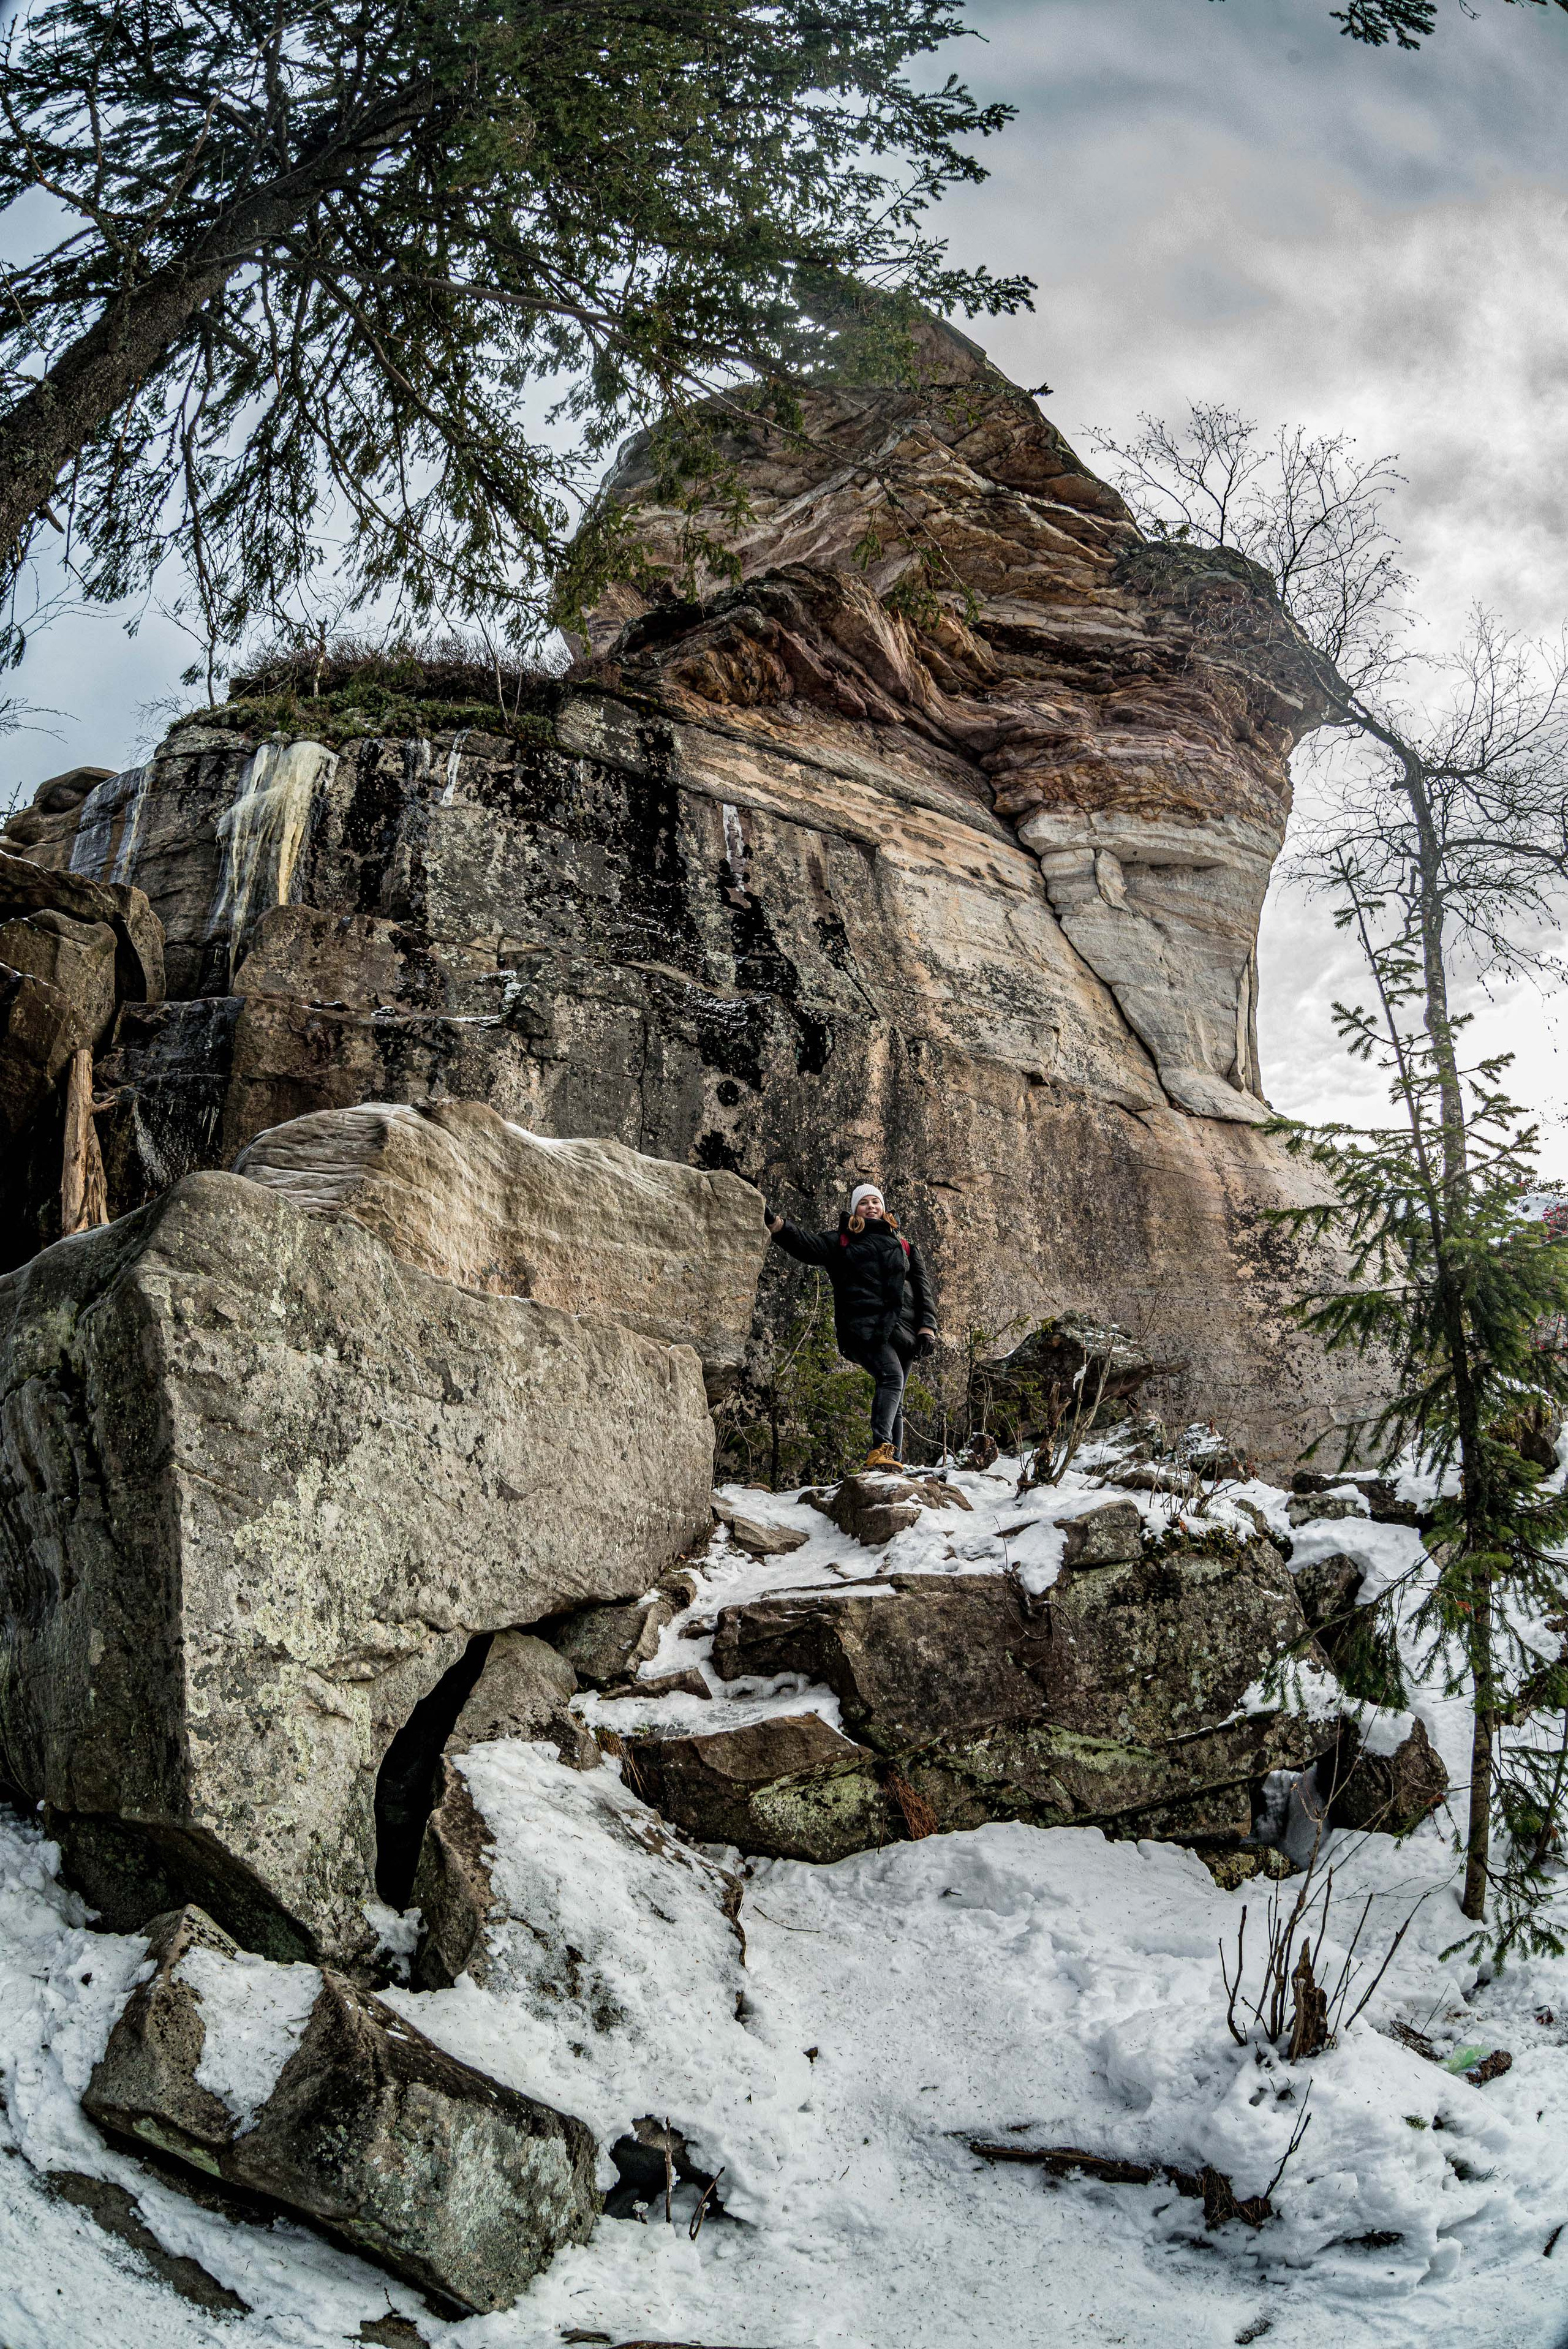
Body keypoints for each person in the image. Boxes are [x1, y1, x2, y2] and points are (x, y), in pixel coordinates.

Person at [764, 1182, 938, 1468]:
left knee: (896, 1398)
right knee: (892, 1379)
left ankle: (893, 1460)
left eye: (876, 1202)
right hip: (864, 1328)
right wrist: (777, 1224)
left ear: (884, 1209)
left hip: (904, 1330)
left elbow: (923, 1289)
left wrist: (927, 1327)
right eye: (864, 1203)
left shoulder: (905, 1246)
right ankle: (880, 1450)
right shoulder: (842, 1241)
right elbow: (808, 1245)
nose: (871, 1206)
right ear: (855, 1209)